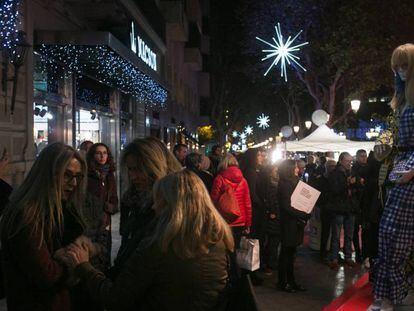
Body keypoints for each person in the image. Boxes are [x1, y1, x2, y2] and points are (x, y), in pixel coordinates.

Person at [66, 170, 234, 311]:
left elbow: (115, 298)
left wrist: (84, 267)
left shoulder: (160, 246)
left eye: (158, 200)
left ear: (172, 205)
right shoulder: (219, 242)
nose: (154, 207)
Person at [0, 143, 87, 311]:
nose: (74, 183)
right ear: (48, 174)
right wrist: (77, 261)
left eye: (78, 176)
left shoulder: (61, 209)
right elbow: (47, 274)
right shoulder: (27, 215)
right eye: (67, 175)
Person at [371, 43, 414, 310]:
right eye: (396, 66)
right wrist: (384, 144)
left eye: (405, 65)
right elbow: (390, 134)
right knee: (389, 237)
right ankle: (388, 297)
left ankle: (390, 298)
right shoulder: (401, 103)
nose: (399, 71)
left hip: (408, 174)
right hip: (399, 172)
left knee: (396, 238)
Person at [117, 137, 182, 273]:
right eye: (130, 169)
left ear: (156, 167)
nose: (133, 176)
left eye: (140, 169)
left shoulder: (170, 206)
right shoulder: (134, 199)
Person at [84, 143, 118, 272]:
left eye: (105, 153)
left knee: (105, 254)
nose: (102, 156)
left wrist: (111, 207)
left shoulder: (109, 175)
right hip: (90, 224)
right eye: (98, 153)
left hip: (105, 222)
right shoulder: (87, 175)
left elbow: (114, 198)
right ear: (93, 155)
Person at [277, 159, 311, 293]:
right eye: (296, 167)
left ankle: (291, 281)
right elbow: (287, 206)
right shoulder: (284, 184)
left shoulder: (294, 182)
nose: (298, 169)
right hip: (289, 223)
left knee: (291, 253)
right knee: (286, 253)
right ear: (289, 169)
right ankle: (283, 281)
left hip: (295, 223)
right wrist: (303, 214)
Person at [211, 153, 252, 247]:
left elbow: (213, 201)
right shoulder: (243, 180)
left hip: (224, 219)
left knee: (225, 249)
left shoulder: (219, 179)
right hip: (240, 220)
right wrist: (248, 223)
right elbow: (247, 204)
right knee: (236, 247)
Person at [327, 152, 358, 270]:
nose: (349, 163)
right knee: (336, 235)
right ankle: (334, 258)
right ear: (340, 161)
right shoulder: (335, 173)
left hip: (350, 208)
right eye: (347, 161)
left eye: (351, 161)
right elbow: (334, 190)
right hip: (339, 208)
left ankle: (348, 257)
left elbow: (357, 188)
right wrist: (347, 184)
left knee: (349, 235)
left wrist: (356, 185)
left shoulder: (352, 172)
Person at [310, 158, 337, 262]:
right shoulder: (320, 179)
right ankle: (323, 253)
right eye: (331, 166)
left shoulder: (335, 178)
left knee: (335, 232)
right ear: (326, 167)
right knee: (325, 232)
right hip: (325, 208)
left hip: (334, 208)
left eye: (334, 166)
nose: (333, 168)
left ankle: (332, 252)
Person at [261, 164, 281, 274]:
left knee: (273, 241)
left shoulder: (275, 183)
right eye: (275, 171)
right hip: (273, 216)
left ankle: (269, 261)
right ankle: (270, 263)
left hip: (275, 215)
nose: (277, 172)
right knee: (273, 240)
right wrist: (273, 212)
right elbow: (272, 199)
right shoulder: (271, 185)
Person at [351, 149, 369, 263]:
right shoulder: (354, 169)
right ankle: (358, 253)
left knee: (365, 230)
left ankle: (364, 253)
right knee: (355, 230)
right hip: (356, 204)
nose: (364, 158)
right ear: (357, 157)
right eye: (361, 156)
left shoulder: (368, 168)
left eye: (365, 156)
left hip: (365, 204)